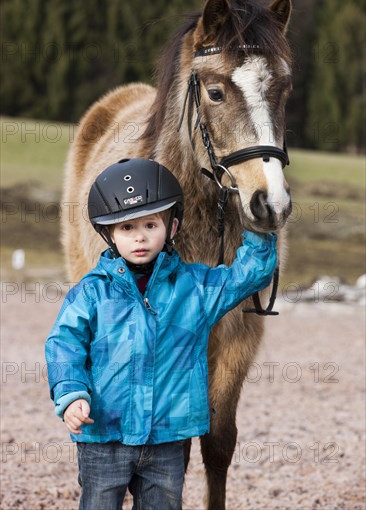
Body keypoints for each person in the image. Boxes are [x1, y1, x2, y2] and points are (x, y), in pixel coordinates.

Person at [45, 158, 278, 510]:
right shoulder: (91, 293)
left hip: (167, 441)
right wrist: (70, 392)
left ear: (172, 227)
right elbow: (64, 345)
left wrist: (260, 230)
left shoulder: (195, 287)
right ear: (108, 234)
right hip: (105, 435)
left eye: (150, 224)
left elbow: (245, 277)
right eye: (126, 228)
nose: (139, 236)